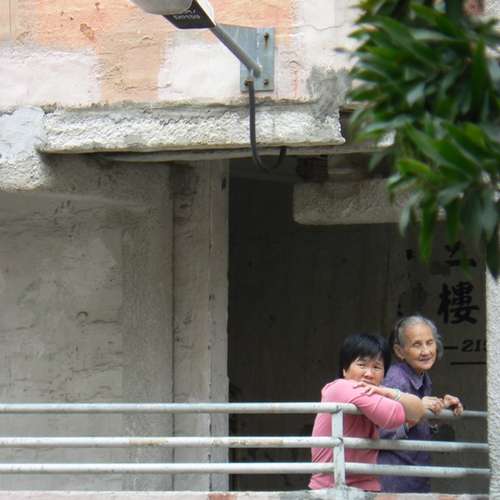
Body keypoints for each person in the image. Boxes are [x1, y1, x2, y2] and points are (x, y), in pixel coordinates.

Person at [309, 333, 425, 492]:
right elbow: (395, 417)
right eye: (362, 365)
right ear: (345, 369)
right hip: (331, 489)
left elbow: (418, 411)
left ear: (384, 374)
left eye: (376, 367)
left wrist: (389, 392)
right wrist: (393, 396)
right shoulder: (341, 387)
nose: (369, 374)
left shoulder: (376, 393)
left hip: (365, 487)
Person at [378, 315, 464, 493]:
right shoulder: (396, 380)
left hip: (414, 475)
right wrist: (416, 410)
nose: (426, 351)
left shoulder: (423, 378)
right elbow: (381, 431)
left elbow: (418, 420)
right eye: (417, 345)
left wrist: (441, 408)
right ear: (400, 351)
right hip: (394, 478)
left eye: (430, 343)